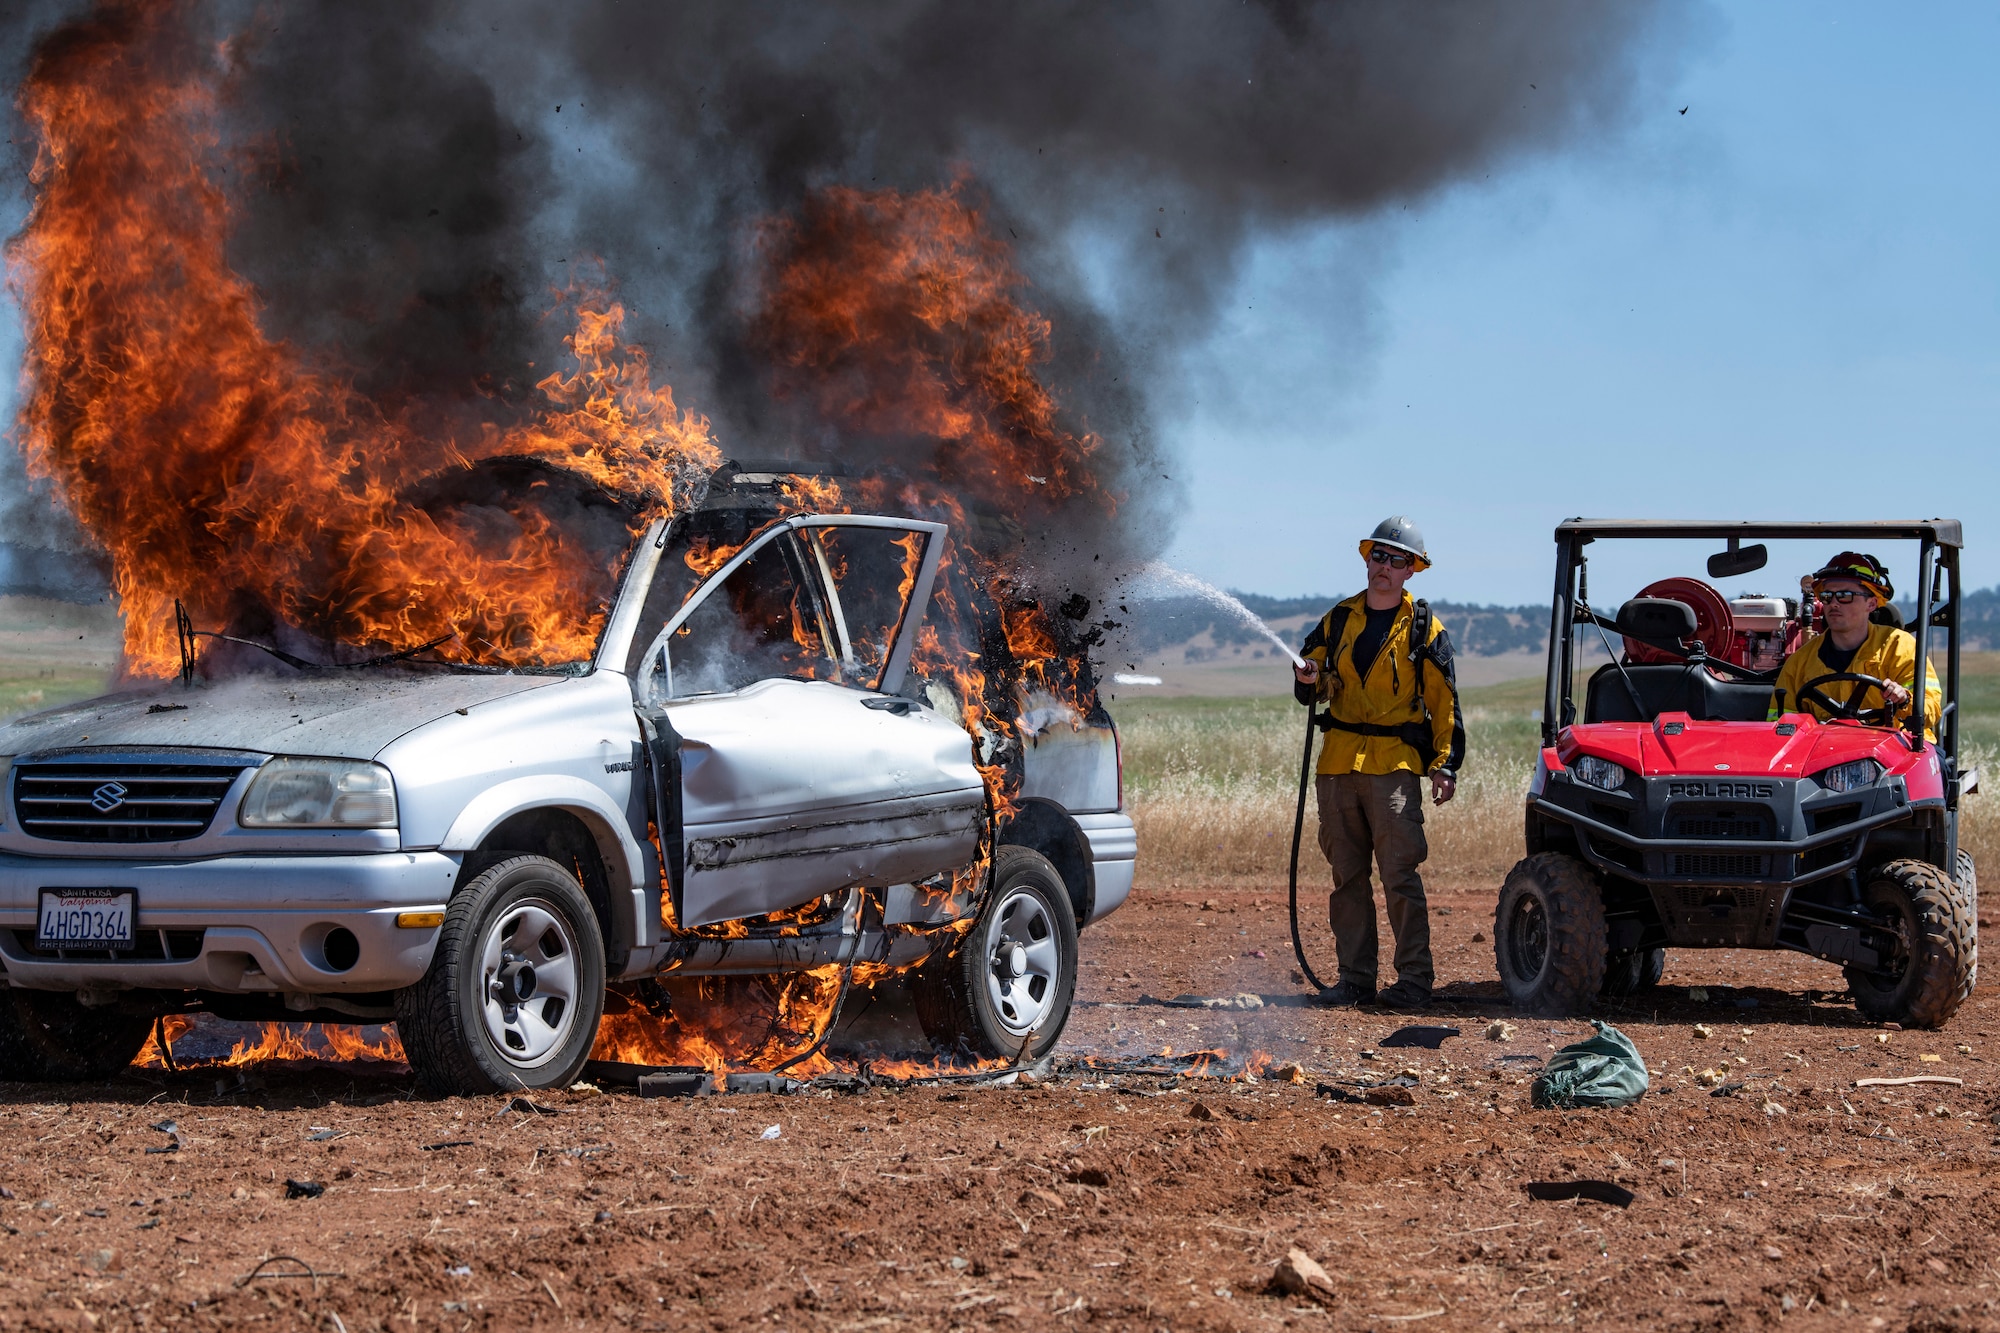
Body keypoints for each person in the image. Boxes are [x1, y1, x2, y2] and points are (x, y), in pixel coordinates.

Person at [1292, 517, 1465, 1010]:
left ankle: (1413, 980)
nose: (1384, 567)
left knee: (1399, 875)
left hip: (1395, 767)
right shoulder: (1338, 620)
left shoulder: (1426, 629)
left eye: (1397, 560)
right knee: (1347, 877)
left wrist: (1445, 764)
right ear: (1367, 559)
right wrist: (1309, 680)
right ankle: (1354, 980)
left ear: (1412, 570)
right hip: (1338, 766)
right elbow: (1317, 684)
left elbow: (1445, 701)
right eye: (1378, 556)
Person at [1770, 551, 1941, 737]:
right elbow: (1780, 725)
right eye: (1827, 596)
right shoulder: (1800, 661)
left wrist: (1904, 700)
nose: (1834, 603)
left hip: (1899, 751)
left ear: (1872, 604)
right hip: (1825, 752)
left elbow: (1930, 709)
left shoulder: (1900, 647)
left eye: (1845, 595)